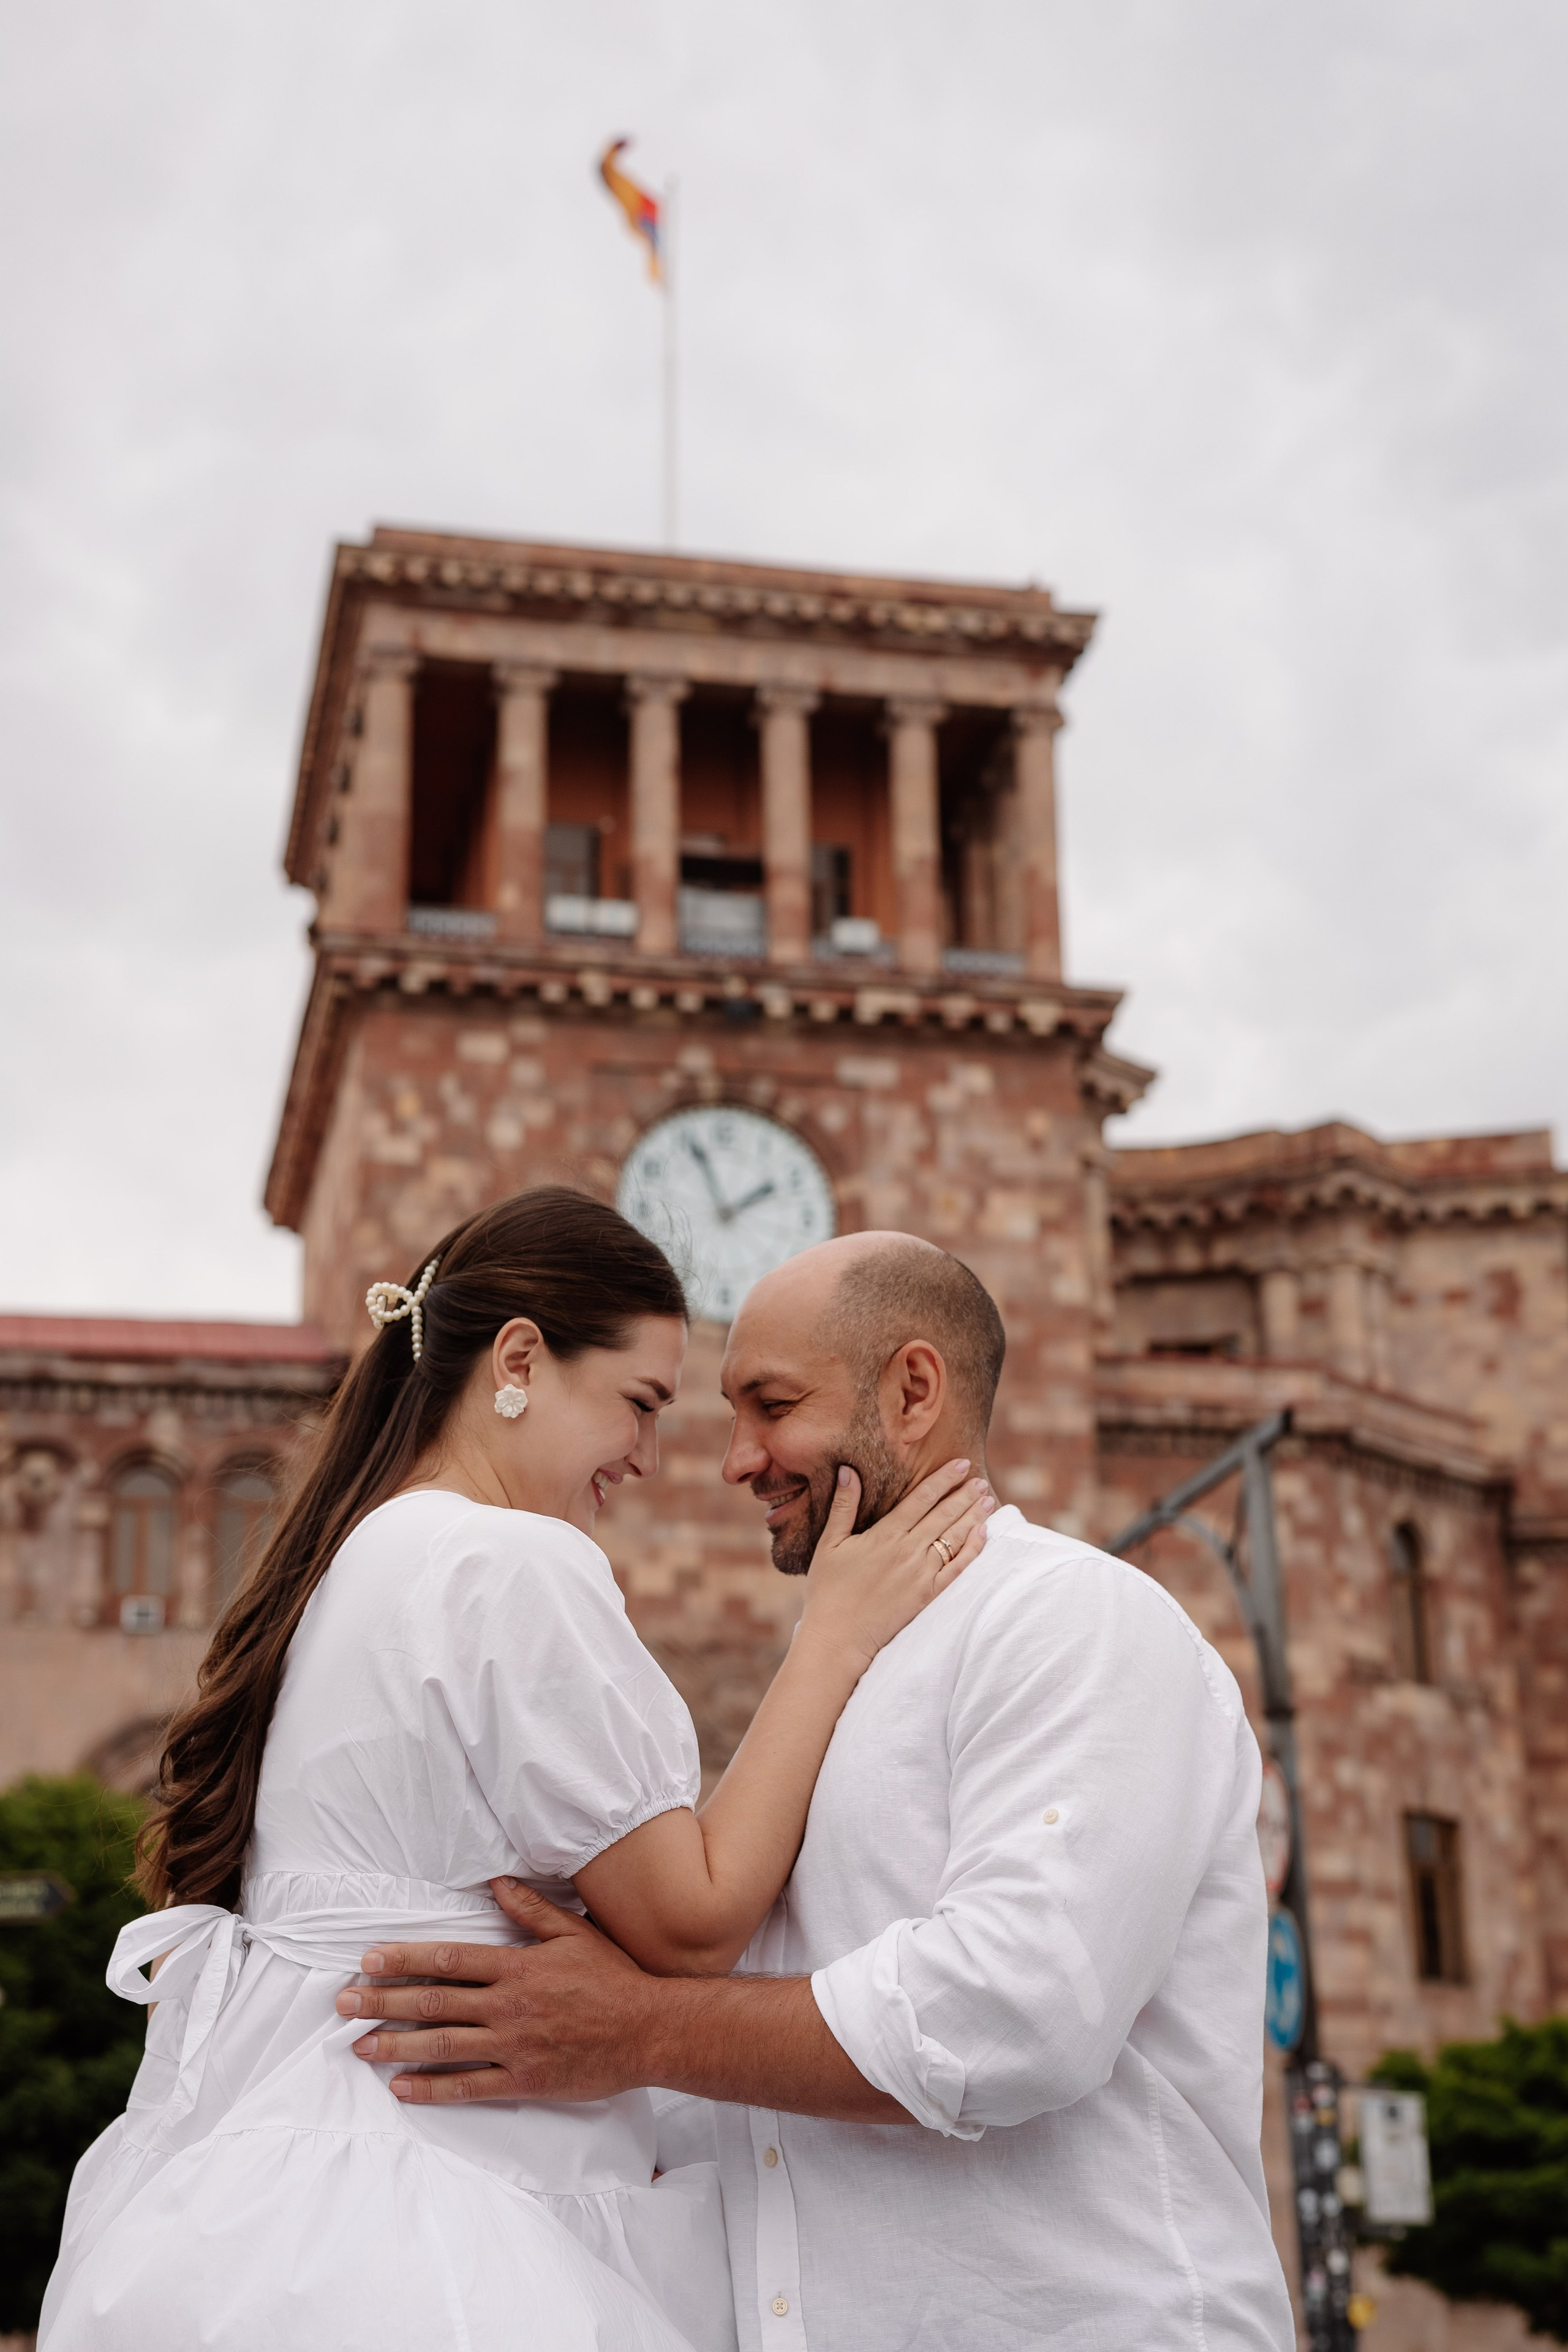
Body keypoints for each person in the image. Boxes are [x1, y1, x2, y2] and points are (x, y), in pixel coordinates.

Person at [40, 1192, 992, 2352]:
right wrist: (833, 1635)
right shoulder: (510, 1561)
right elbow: (690, 1925)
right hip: (437, 2211)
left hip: (280, 2187)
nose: (646, 1458)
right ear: (521, 1360)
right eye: (639, 1404)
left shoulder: (357, 1556)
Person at [339, 1231, 1298, 2352]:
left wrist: (639, 2028)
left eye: (772, 1406)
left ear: (913, 1391)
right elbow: (732, 2099)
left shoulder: (1074, 1623)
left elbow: (1018, 2009)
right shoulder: (836, 1677)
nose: (737, 1459)